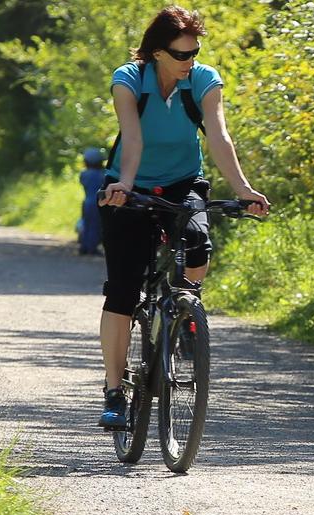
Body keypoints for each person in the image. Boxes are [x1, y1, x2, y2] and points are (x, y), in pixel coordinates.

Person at [96, 6, 270, 429]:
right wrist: (126, 185)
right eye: (181, 55)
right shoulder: (129, 80)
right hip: (128, 185)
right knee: (122, 290)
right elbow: (132, 137)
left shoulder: (204, 81)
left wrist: (243, 190)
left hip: (183, 182)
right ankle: (115, 392)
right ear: (157, 53)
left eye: (194, 52)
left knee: (198, 247)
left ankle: (185, 316)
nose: (190, 61)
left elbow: (218, 134)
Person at [78, 147, 106, 255]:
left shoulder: (84, 174)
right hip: (98, 202)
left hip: (87, 202)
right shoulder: (102, 174)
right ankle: (92, 248)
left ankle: (84, 246)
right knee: (96, 225)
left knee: (87, 223)